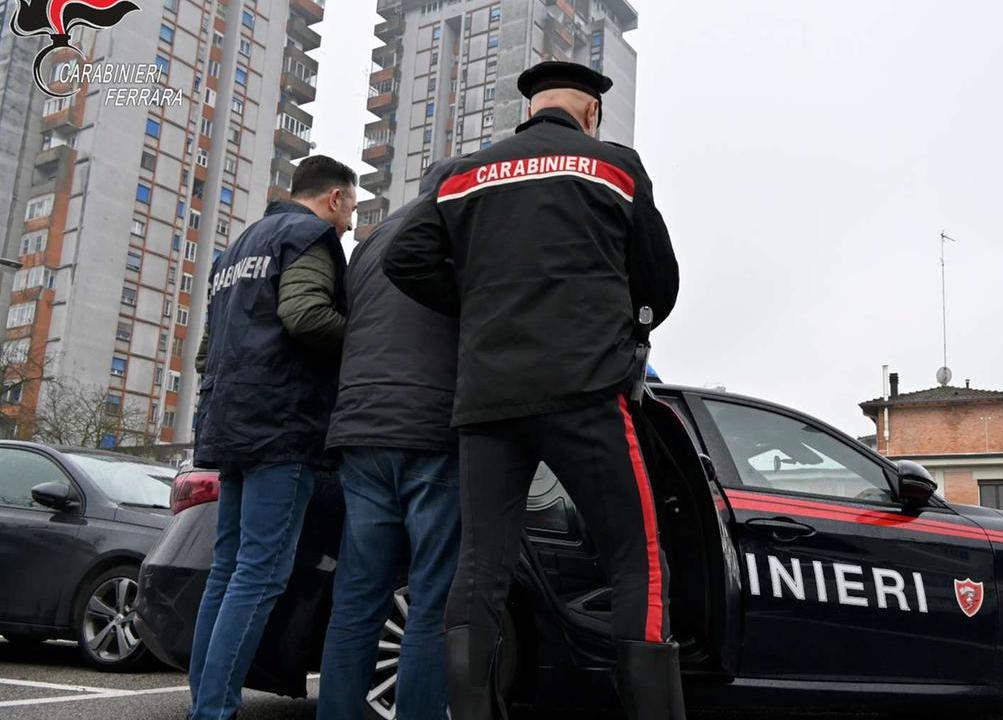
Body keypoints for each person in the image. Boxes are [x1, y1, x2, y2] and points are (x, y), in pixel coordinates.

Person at [383, 61, 682, 720]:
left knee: (480, 567)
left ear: (528, 110)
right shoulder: (614, 165)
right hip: (587, 390)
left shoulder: (464, 174)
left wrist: (482, 304)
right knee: (638, 559)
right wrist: (623, 327)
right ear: (591, 112)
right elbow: (659, 280)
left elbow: (401, 259)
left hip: (489, 399)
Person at [189, 155, 357, 720]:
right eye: (352, 208)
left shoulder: (235, 249)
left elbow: (205, 352)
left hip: (229, 420)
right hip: (281, 425)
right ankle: (213, 712)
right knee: (260, 575)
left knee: (228, 569)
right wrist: (367, 345)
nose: (351, 224)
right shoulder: (309, 236)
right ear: (334, 197)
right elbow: (308, 316)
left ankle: (205, 704)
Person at [317, 163, 462, 720]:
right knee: (431, 601)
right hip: (430, 428)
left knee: (356, 599)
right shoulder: (457, 227)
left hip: (360, 431)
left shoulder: (371, 242)